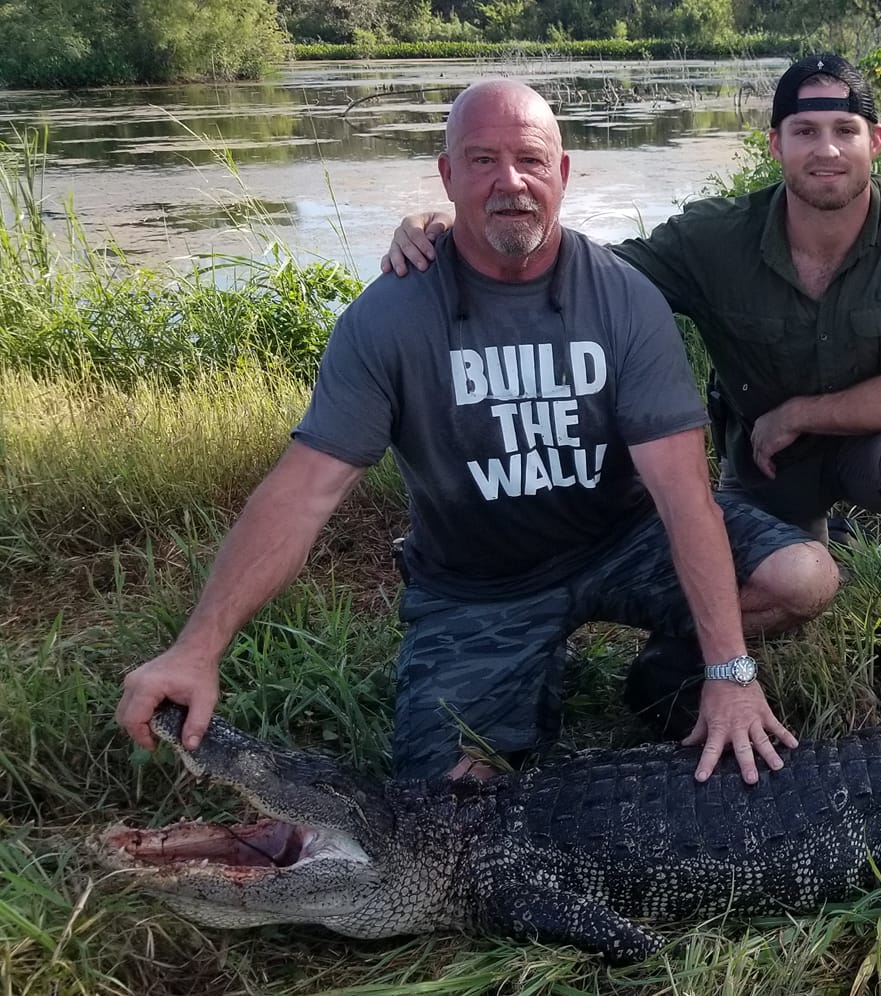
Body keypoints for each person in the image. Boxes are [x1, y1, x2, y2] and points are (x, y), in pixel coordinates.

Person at [117, 78, 839, 786]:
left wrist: (731, 670)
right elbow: (304, 490)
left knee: (801, 577)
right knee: (451, 792)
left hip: (625, 541)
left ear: (561, 172)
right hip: (481, 585)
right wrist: (197, 647)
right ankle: (527, 663)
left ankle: (671, 668)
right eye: (483, 160)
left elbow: (684, 498)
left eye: (529, 160)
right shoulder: (391, 316)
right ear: (447, 174)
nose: (510, 181)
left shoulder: (623, 299)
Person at [384, 55, 881, 735]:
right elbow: (589, 278)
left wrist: (799, 413)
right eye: (805, 130)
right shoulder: (714, 235)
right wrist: (459, 234)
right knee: (794, 578)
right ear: (775, 143)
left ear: (875, 141)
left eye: (845, 129)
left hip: (871, 440)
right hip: (765, 460)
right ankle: (683, 645)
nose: (827, 149)